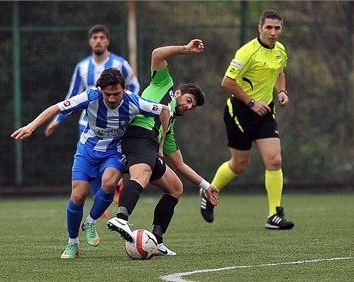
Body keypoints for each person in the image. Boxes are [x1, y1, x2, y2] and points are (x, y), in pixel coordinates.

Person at [11, 68, 170, 259]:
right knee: (78, 195)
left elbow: (165, 110)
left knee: (110, 182)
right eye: (108, 94)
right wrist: (31, 126)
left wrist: (160, 145)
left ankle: (91, 221)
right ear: (100, 90)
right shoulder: (90, 96)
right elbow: (58, 107)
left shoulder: (134, 102)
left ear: (124, 89)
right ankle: (73, 243)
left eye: (116, 94)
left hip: (115, 150)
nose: (112, 98)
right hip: (87, 149)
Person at [106, 39, 219, 256]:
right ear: (177, 92)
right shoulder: (163, 84)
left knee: (176, 187)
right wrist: (185, 50)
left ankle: (156, 239)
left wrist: (207, 186)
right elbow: (157, 53)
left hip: (148, 143)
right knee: (142, 174)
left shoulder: (169, 129)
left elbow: (180, 164)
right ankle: (121, 218)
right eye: (188, 99)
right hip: (138, 134)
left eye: (192, 106)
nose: (188, 106)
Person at [200, 10, 294, 230]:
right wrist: (251, 102)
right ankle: (209, 190)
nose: (273, 32)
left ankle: (274, 215)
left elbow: (279, 72)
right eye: (268, 27)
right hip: (240, 112)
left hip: (265, 112)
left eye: (277, 28)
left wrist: (282, 92)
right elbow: (227, 81)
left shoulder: (280, 50)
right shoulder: (247, 52)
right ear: (259, 28)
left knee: (274, 160)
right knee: (240, 164)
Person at [45, 24, 140, 210]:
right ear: (90, 41)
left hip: (116, 124)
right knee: (91, 163)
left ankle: (111, 190)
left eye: (102, 38)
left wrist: (128, 110)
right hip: (87, 123)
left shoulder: (120, 64)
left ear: (108, 41)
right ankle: (100, 203)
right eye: (95, 38)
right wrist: (57, 120)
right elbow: (72, 96)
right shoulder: (82, 67)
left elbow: (135, 87)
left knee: (112, 161)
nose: (98, 41)